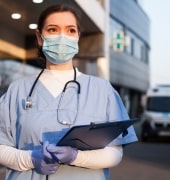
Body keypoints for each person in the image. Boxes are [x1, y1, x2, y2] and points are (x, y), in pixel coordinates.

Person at [0, 2, 137, 180]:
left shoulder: (102, 91)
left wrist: (76, 156)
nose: (62, 37)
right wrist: (30, 159)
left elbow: (114, 154)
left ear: (77, 37)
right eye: (53, 29)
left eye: (71, 30)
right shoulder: (17, 90)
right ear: (40, 37)